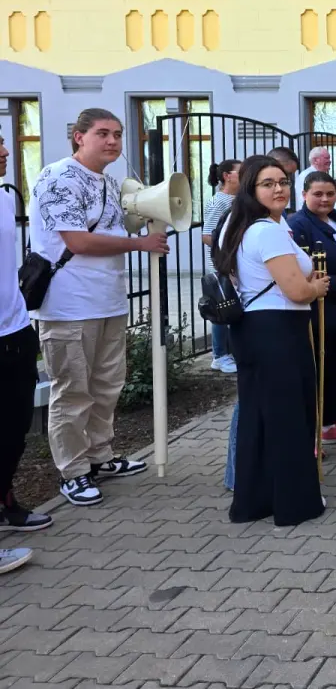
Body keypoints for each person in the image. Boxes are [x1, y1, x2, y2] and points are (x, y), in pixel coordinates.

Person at [31, 108, 166, 507]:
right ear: (79, 136)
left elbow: (114, 229)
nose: (112, 141)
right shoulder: (59, 177)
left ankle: (99, 456)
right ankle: (73, 472)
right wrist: (139, 244)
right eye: (103, 133)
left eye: (118, 134)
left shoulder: (106, 181)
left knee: (107, 385)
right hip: (69, 305)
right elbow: (78, 241)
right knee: (73, 392)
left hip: (107, 300)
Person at [212, 155, 329, 527]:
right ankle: (295, 503)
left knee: (260, 418)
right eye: (268, 183)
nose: (279, 189)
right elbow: (296, 290)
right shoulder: (266, 230)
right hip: (277, 330)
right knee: (289, 418)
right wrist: (317, 288)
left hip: (256, 329)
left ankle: (256, 500)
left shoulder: (244, 226)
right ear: (250, 189)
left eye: (282, 182)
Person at [288, 172, 336, 448]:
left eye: (330, 194)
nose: (324, 199)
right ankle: (307, 433)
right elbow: (305, 271)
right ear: (304, 195)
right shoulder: (297, 225)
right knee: (316, 372)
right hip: (318, 310)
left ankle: (329, 424)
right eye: (318, 194)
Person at [1, 132, 52, 534]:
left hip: (16, 332)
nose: (5, 151)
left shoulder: (4, 199)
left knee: (15, 428)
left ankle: (6, 501)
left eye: (3, 142)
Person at [202, 159, 241, 375]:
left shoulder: (239, 199)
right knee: (222, 308)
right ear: (227, 176)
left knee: (234, 307)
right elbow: (207, 236)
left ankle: (231, 352)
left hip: (236, 264)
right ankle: (219, 355)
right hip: (223, 265)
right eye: (240, 172)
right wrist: (228, 254)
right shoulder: (219, 202)